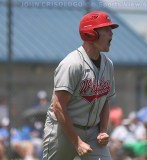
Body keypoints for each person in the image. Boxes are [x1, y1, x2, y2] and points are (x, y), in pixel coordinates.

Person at [43, 11, 118, 160]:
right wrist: (77, 142)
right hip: (63, 131)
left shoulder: (108, 65)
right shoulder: (72, 64)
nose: (111, 34)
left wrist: (103, 130)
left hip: (93, 133)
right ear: (91, 34)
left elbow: (105, 101)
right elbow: (58, 106)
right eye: (106, 29)